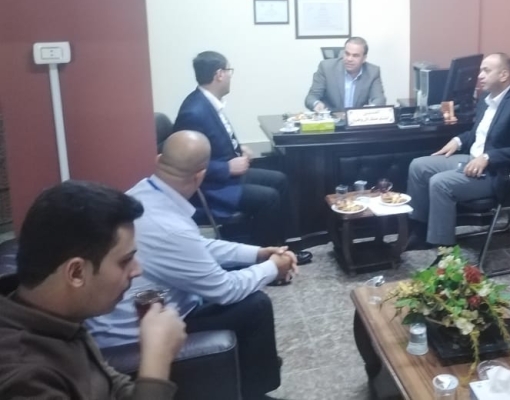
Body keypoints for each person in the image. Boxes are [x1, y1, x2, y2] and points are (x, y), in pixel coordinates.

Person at [89, 131, 297, 400]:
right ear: (200, 176)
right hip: (135, 338)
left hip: (149, 313)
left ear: (159, 159)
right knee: (255, 306)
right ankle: (254, 393)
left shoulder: (144, 192)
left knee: (248, 293)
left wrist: (256, 254)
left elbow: (197, 245)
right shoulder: (168, 227)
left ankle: (247, 376)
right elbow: (225, 290)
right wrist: (274, 267)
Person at [0, 181, 186, 399]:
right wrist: (156, 362)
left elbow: (111, 388)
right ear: (76, 273)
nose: (137, 270)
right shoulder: (23, 375)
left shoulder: (60, 318)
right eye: (125, 260)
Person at [173, 50, 312, 265]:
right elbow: (184, 163)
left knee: (281, 180)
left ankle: (286, 246)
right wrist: (226, 168)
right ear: (219, 74)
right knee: (269, 197)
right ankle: (267, 261)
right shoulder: (194, 111)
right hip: (212, 188)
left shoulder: (208, 102)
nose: (231, 76)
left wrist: (239, 150)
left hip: (226, 179)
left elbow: (216, 143)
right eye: (229, 71)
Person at [405, 53, 510, 248]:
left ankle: (444, 251)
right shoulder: (487, 97)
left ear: (503, 75)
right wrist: (458, 140)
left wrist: (488, 157)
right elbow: (480, 132)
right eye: (481, 70)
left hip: (498, 173)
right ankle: (420, 230)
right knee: (418, 166)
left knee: (440, 183)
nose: (479, 75)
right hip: (473, 158)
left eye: (486, 71)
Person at [304, 36, 385, 111]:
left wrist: (370, 110)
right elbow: (311, 97)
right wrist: (316, 104)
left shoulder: (373, 72)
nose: (349, 59)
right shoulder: (326, 68)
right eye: (347, 54)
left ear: (364, 58)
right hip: (332, 119)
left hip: (356, 119)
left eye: (355, 56)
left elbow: (379, 99)